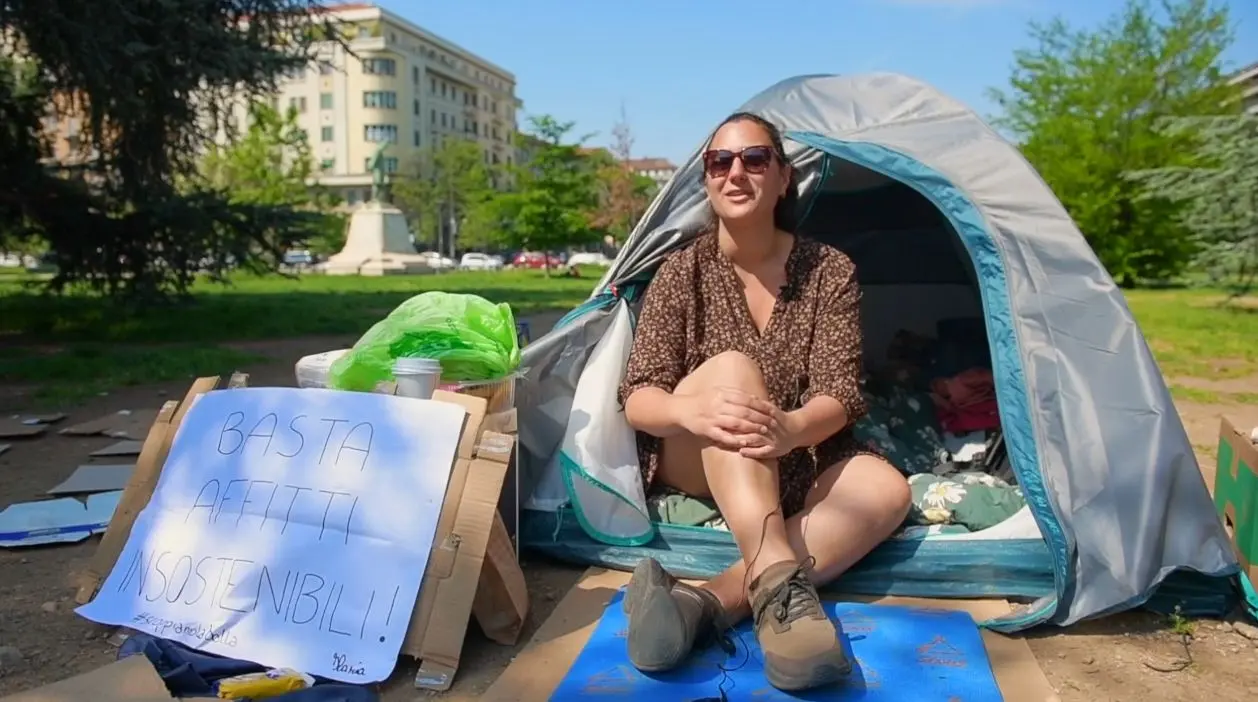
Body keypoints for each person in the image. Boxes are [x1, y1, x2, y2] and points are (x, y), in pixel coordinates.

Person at [617, 112, 912, 692]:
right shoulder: (681, 272)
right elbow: (638, 396)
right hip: (699, 457)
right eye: (719, 162)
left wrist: (794, 429)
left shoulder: (829, 271)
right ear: (705, 179)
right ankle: (782, 592)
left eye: (755, 159)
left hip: (796, 451)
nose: (735, 173)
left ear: (783, 178)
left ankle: (702, 605)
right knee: (731, 369)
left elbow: (841, 392)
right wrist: (688, 412)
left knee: (887, 489)